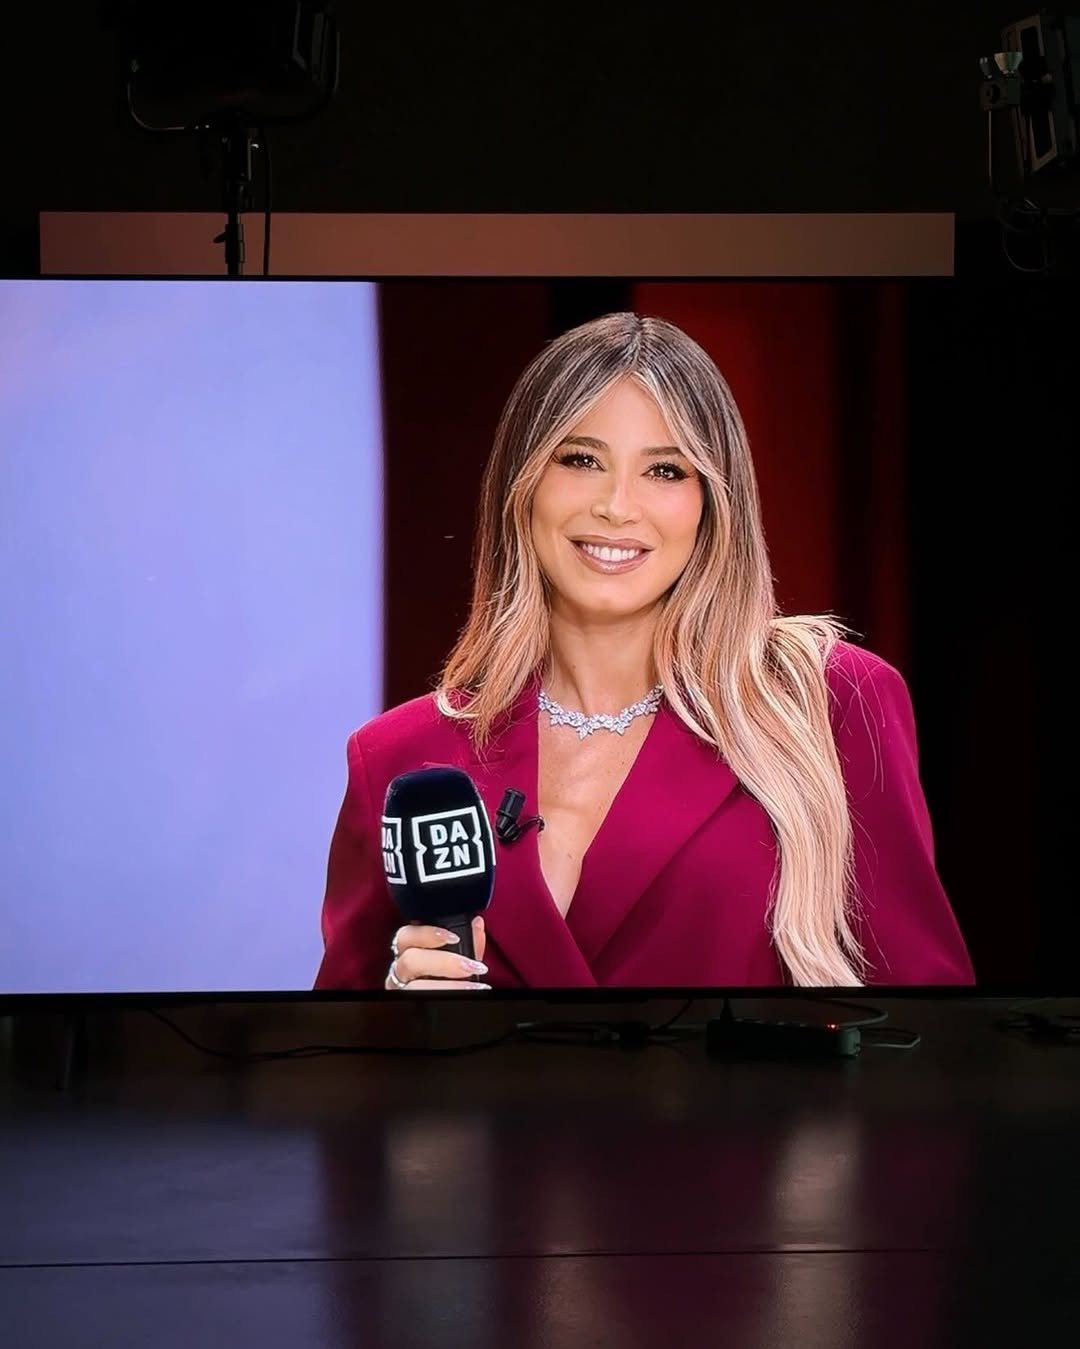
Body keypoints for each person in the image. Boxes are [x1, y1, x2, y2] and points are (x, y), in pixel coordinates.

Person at [314, 312, 975, 991]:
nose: (617, 506)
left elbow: (929, 1020)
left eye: (664, 469)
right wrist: (402, 1025)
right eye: (581, 460)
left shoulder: (829, 703)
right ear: (522, 483)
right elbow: (326, 1045)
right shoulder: (398, 758)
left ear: (712, 502)